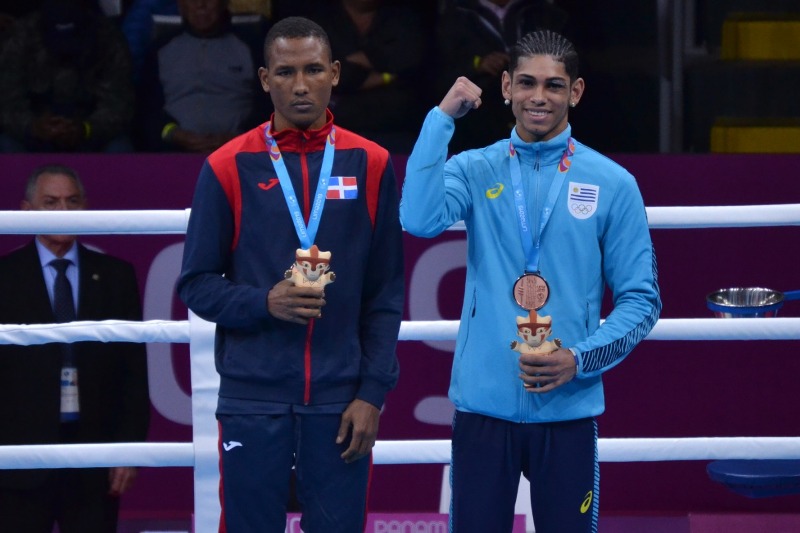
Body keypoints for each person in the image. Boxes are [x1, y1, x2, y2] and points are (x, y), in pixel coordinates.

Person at [400, 30, 661, 533]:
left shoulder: (613, 183)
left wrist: (581, 359)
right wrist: (440, 120)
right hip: (483, 408)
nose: (539, 97)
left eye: (553, 85)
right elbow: (417, 217)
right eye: (526, 83)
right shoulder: (474, 169)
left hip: (567, 409)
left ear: (576, 92)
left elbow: (641, 300)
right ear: (505, 86)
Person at [177, 16, 404, 532]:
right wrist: (264, 302)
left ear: (336, 73)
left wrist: (371, 394)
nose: (300, 85)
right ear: (263, 79)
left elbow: (386, 292)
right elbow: (195, 283)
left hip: (340, 400)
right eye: (285, 72)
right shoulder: (226, 165)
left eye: (313, 69)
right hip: (252, 398)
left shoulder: (371, 162)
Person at [0, 165, 151, 533]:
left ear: (86, 207)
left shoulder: (116, 275)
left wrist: (126, 450)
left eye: (72, 201)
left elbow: (132, 371)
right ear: (25, 210)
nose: (63, 212)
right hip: (17, 459)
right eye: (50, 203)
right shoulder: (3, 276)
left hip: (94, 458)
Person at [435, 0, 573, 151]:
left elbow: (572, 61)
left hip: (541, 129)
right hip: (477, 127)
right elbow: (437, 71)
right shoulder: (454, 13)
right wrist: (477, 64)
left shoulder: (544, 12)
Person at [0, 0, 135, 153]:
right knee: (7, 145)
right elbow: (8, 102)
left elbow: (118, 104)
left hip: (90, 131)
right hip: (35, 130)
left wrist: (85, 129)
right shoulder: (21, 36)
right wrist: (33, 127)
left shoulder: (108, 38)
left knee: (119, 148)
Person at [136, 0, 271, 152]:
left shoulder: (253, 48)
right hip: (174, 153)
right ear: (181, 5)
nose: (200, 4)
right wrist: (174, 134)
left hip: (241, 151)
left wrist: (240, 137)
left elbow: (268, 106)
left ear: (224, 3)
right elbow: (147, 109)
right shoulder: (160, 49)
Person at [307, 0, 429, 154]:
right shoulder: (318, 20)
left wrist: (358, 63)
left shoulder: (404, 16)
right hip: (334, 132)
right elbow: (321, 77)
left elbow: (410, 60)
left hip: (398, 130)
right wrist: (388, 75)